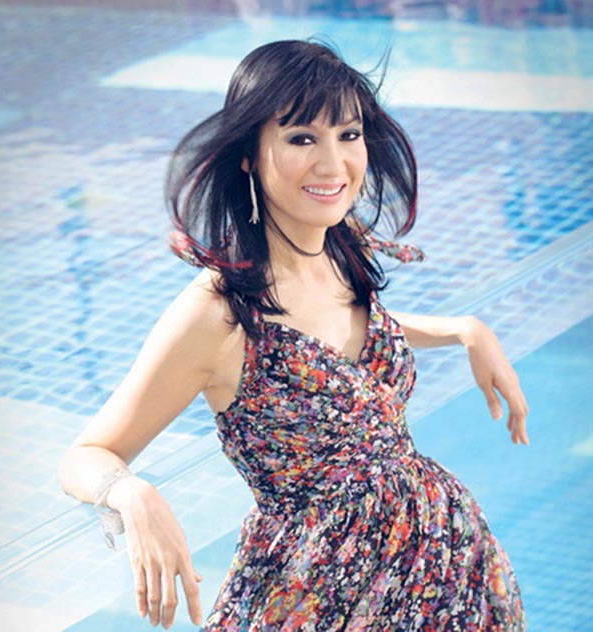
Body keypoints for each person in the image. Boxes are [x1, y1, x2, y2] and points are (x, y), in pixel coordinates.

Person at [58, 39, 529, 631]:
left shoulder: (337, 245)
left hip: (447, 571)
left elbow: (339, 330)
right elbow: (86, 455)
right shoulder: (218, 314)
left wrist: (463, 329)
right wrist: (132, 494)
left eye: (348, 135)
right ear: (249, 155)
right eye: (302, 138)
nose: (333, 165)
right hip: (320, 598)